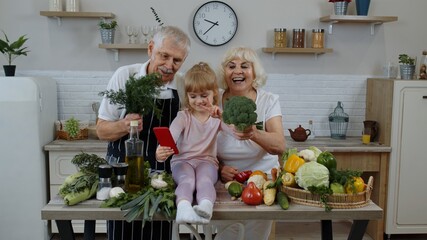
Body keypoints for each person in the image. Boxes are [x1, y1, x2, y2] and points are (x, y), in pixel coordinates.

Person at [96, 26, 191, 240]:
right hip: (122, 178)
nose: (169, 66)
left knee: (159, 234)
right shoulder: (125, 76)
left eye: (177, 60)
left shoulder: (183, 85)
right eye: (164, 56)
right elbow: (101, 130)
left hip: (162, 181)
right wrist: (124, 125)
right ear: (150, 49)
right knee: (122, 234)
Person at [215, 47, 286, 240]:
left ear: (254, 73)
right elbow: (200, 143)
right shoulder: (213, 99)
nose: (237, 71)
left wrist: (253, 132)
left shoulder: (268, 100)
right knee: (226, 236)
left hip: (263, 184)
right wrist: (219, 168)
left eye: (244, 66)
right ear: (224, 73)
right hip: (225, 185)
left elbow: (280, 145)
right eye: (231, 66)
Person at [155, 62, 230, 225]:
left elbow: (236, 132)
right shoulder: (183, 116)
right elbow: (170, 136)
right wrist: (160, 152)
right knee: (187, 180)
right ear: (187, 96)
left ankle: (205, 207)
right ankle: (183, 208)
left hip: (207, 162)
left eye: (204, 95)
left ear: (214, 94)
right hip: (182, 162)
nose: (199, 101)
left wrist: (223, 117)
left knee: (204, 180)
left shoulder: (217, 119)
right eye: (193, 96)